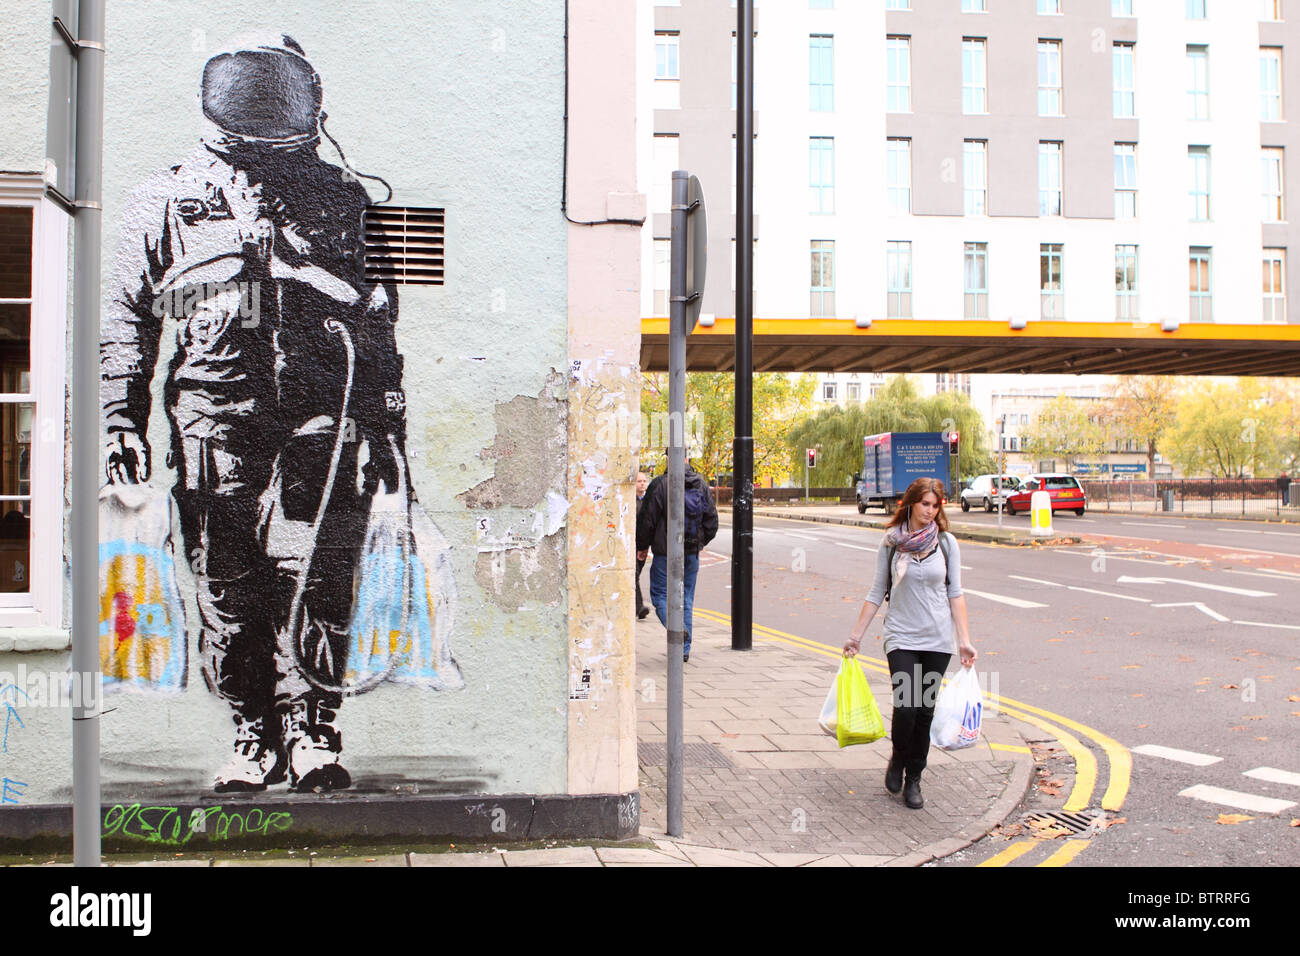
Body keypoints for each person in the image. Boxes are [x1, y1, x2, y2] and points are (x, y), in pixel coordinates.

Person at [101, 35, 406, 793]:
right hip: (214, 415)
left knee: (321, 573)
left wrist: (386, 426)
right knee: (227, 581)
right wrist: (118, 419)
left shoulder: (344, 199)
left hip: (323, 415)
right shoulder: (167, 199)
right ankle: (252, 729)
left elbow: (379, 323)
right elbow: (124, 317)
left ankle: (314, 729)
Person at [842, 477, 976, 810]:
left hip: (937, 639)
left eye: (935, 506)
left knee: (924, 712)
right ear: (911, 503)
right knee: (906, 707)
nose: (930, 511)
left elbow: (955, 592)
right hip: (901, 635)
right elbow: (876, 591)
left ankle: (914, 777)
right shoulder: (891, 543)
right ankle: (898, 758)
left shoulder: (946, 543)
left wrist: (964, 642)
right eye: (925, 504)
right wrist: (856, 636)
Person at [636, 455, 718, 662]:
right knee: (686, 599)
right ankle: (684, 649)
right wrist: (698, 543)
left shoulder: (659, 484)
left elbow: (648, 520)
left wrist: (642, 546)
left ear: (667, 458)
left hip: (665, 553)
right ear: (687, 457)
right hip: (690, 554)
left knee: (660, 595)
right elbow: (712, 521)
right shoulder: (700, 484)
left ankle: (677, 631)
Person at [634, 471, 650, 620]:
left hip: (642, 545)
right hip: (630, 545)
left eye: (644, 481)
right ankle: (639, 607)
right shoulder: (630, 501)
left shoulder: (648, 501)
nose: (642, 483)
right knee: (634, 575)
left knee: (636, 574)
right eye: (639, 481)